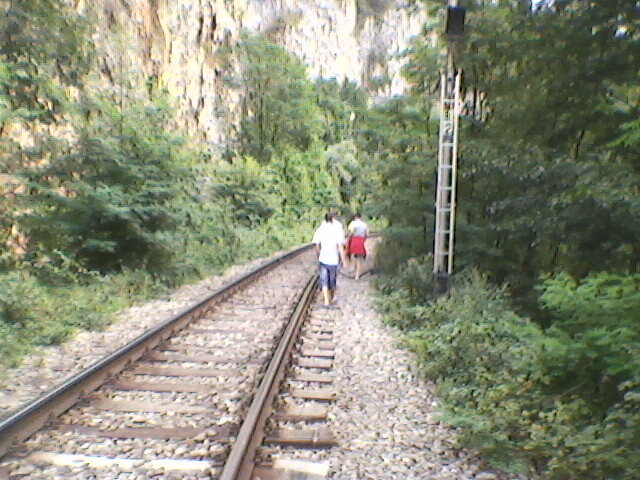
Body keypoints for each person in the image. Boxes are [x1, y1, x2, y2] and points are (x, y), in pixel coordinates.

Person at [312, 211, 346, 308]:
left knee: (324, 280)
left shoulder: (320, 229)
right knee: (332, 280)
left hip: (323, 259)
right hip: (333, 259)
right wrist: (343, 259)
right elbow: (340, 246)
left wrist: (319, 253)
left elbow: (316, 244)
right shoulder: (336, 229)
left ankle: (327, 300)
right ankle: (329, 299)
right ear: (333, 219)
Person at [347, 213, 368, 280]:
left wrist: (349, 237)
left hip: (354, 240)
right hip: (361, 241)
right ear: (360, 217)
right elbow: (366, 234)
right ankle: (357, 275)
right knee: (359, 258)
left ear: (355, 217)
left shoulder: (353, 223)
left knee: (352, 255)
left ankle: (352, 267)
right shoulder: (364, 224)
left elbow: (351, 232)